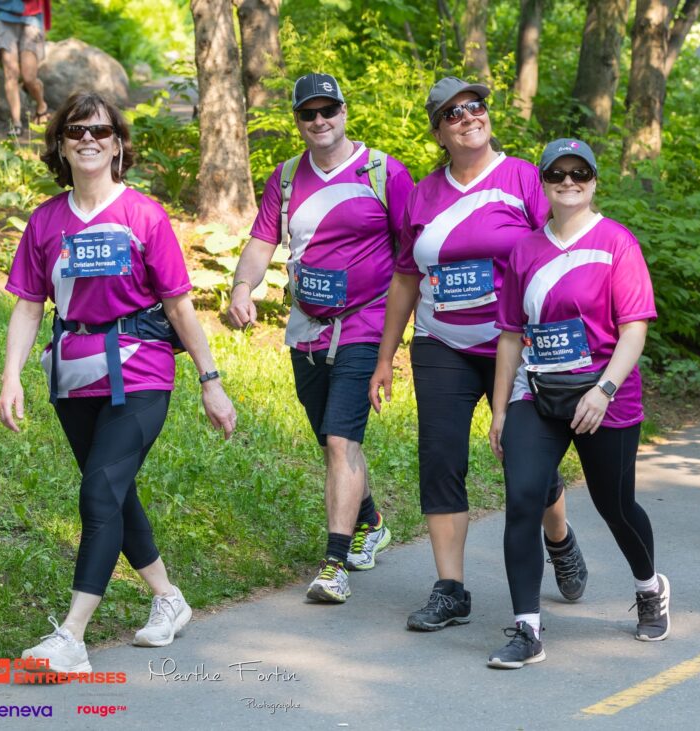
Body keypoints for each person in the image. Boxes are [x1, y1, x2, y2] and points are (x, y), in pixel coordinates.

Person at [0, 91, 236, 671]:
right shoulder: (46, 220)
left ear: (117, 145)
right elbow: (30, 305)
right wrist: (11, 378)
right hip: (73, 373)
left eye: (100, 131)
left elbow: (179, 306)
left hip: (141, 367)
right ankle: (168, 599)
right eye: (76, 131)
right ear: (59, 144)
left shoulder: (143, 215)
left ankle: (72, 637)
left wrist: (211, 380)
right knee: (114, 491)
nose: (88, 140)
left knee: (99, 491)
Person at [369, 77, 587, 632]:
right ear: (439, 131)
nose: (469, 117)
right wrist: (384, 356)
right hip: (441, 341)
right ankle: (450, 589)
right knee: (440, 458)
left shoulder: (522, 179)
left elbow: (561, 251)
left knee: (524, 460)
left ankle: (558, 537)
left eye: (476, 106)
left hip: (511, 345)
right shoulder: (421, 194)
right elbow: (404, 277)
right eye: (453, 113)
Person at [228, 73, 414, 604]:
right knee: (329, 440)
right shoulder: (285, 178)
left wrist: (414, 327)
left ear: (344, 111)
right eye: (308, 114)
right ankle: (371, 519)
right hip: (306, 328)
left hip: (366, 324)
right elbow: (263, 241)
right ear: (298, 121)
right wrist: (243, 287)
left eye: (328, 110)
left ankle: (333, 566)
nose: (320, 121)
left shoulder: (384, 172)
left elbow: (413, 252)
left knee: (341, 441)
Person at [486, 139, 664, 669]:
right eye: (557, 173)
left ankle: (649, 586)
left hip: (602, 394)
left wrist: (603, 390)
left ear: (594, 179)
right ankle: (527, 629)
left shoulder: (617, 243)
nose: (568, 181)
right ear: (543, 181)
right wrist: (499, 410)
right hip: (536, 392)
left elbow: (634, 329)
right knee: (523, 498)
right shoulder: (524, 249)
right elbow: (511, 337)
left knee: (615, 505)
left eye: (579, 172)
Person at [0, 0, 51, 136]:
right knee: (11, 73)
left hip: (32, 19)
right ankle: (16, 123)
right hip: (4, 16)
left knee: (29, 78)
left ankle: (42, 106)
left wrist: (45, 24)